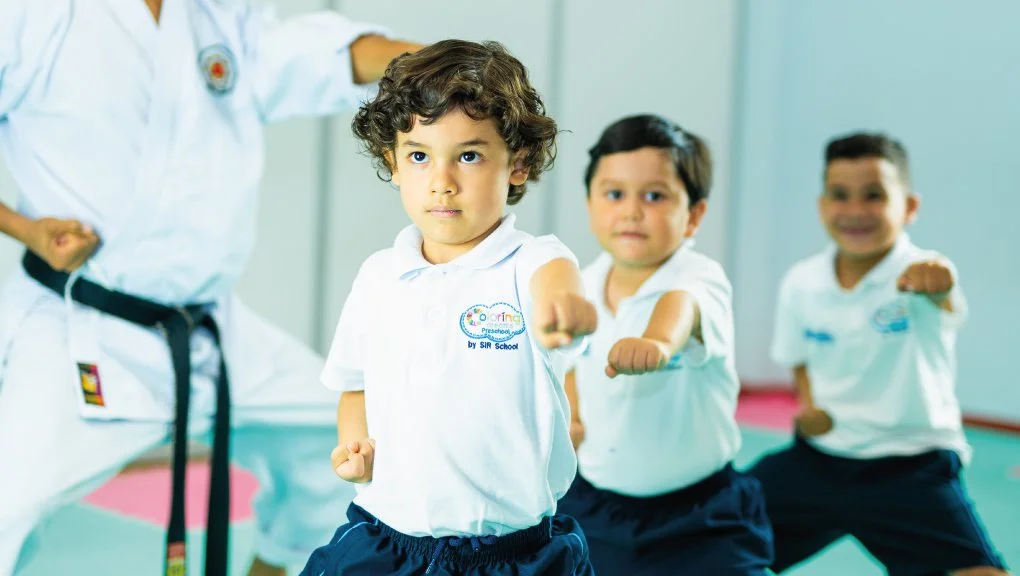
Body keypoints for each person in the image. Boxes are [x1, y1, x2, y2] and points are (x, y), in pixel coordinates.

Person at [0, 1, 420, 575]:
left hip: (214, 330)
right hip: (80, 327)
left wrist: (427, 62)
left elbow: (299, 60)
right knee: (8, 504)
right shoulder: (35, 13)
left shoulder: (217, 10)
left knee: (346, 449)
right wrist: (25, 228)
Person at [300, 39, 597, 576]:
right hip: (385, 538)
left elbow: (557, 284)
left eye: (469, 155)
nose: (442, 181)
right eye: (419, 155)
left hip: (511, 553)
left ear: (519, 164)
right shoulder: (379, 276)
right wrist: (353, 444)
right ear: (392, 162)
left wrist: (564, 307)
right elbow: (354, 383)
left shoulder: (531, 261)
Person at [747, 132, 1009, 575]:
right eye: (840, 195)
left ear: (908, 207)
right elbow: (799, 358)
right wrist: (809, 405)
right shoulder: (802, 281)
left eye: (873, 196)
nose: (855, 211)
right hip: (818, 461)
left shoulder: (921, 273)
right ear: (822, 205)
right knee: (713, 534)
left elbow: (942, 290)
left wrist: (939, 280)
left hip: (911, 468)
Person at [557, 114, 773, 575]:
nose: (632, 211)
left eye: (654, 196)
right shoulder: (581, 284)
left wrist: (657, 340)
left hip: (702, 514)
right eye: (615, 194)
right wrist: (572, 417)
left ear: (693, 215)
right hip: (597, 505)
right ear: (591, 204)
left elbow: (684, 306)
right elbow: (571, 363)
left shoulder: (698, 276)